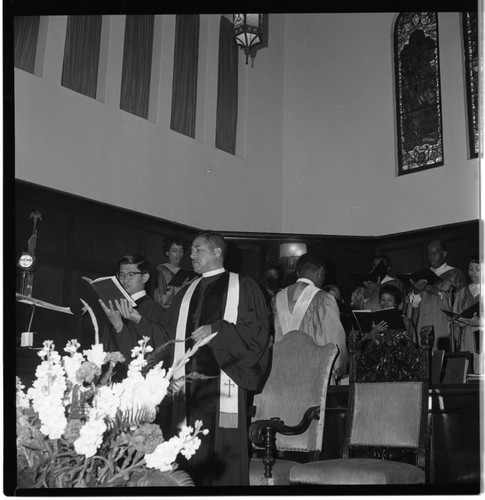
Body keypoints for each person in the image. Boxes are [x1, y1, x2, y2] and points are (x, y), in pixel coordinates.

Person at [157, 231, 270, 486]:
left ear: (217, 252)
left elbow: (258, 334)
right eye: (192, 250)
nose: (192, 255)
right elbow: (166, 334)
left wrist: (217, 329)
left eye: (199, 250)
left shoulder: (244, 286)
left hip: (221, 386)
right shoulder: (186, 293)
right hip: (187, 387)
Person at [273, 253, 348, 382]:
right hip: (314, 372)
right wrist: (338, 367)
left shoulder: (278, 297)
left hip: (282, 369)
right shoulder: (324, 299)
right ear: (321, 272)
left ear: (297, 272)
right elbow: (334, 338)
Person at [99, 254, 165, 371]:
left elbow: (151, 349)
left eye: (131, 275)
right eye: (121, 275)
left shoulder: (153, 307)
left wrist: (120, 327)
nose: (125, 280)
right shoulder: (115, 305)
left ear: (145, 277)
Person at [406, 239, 467, 350]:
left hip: (443, 324)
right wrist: (416, 291)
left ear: (444, 254)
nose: (431, 256)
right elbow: (413, 306)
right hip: (423, 323)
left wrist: (435, 291)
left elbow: (460, 302)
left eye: (435, 253)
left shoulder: (455, 273)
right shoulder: (422, 275)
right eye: (429, 254)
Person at [452, 252, 480, 372]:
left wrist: (480, 321)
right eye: (470, 269)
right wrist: (460, 321)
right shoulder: (462, 293)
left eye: (478, 269)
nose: (473, 273)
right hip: (467, 338)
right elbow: (456, 314)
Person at [154, 236, 191, 309]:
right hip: (166, 311)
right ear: (167, 252)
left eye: (181, 251)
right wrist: (180, 289)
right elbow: (162, 299)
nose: (178, 254)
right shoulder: (162, 270)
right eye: (174, 251)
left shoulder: (185, 273)